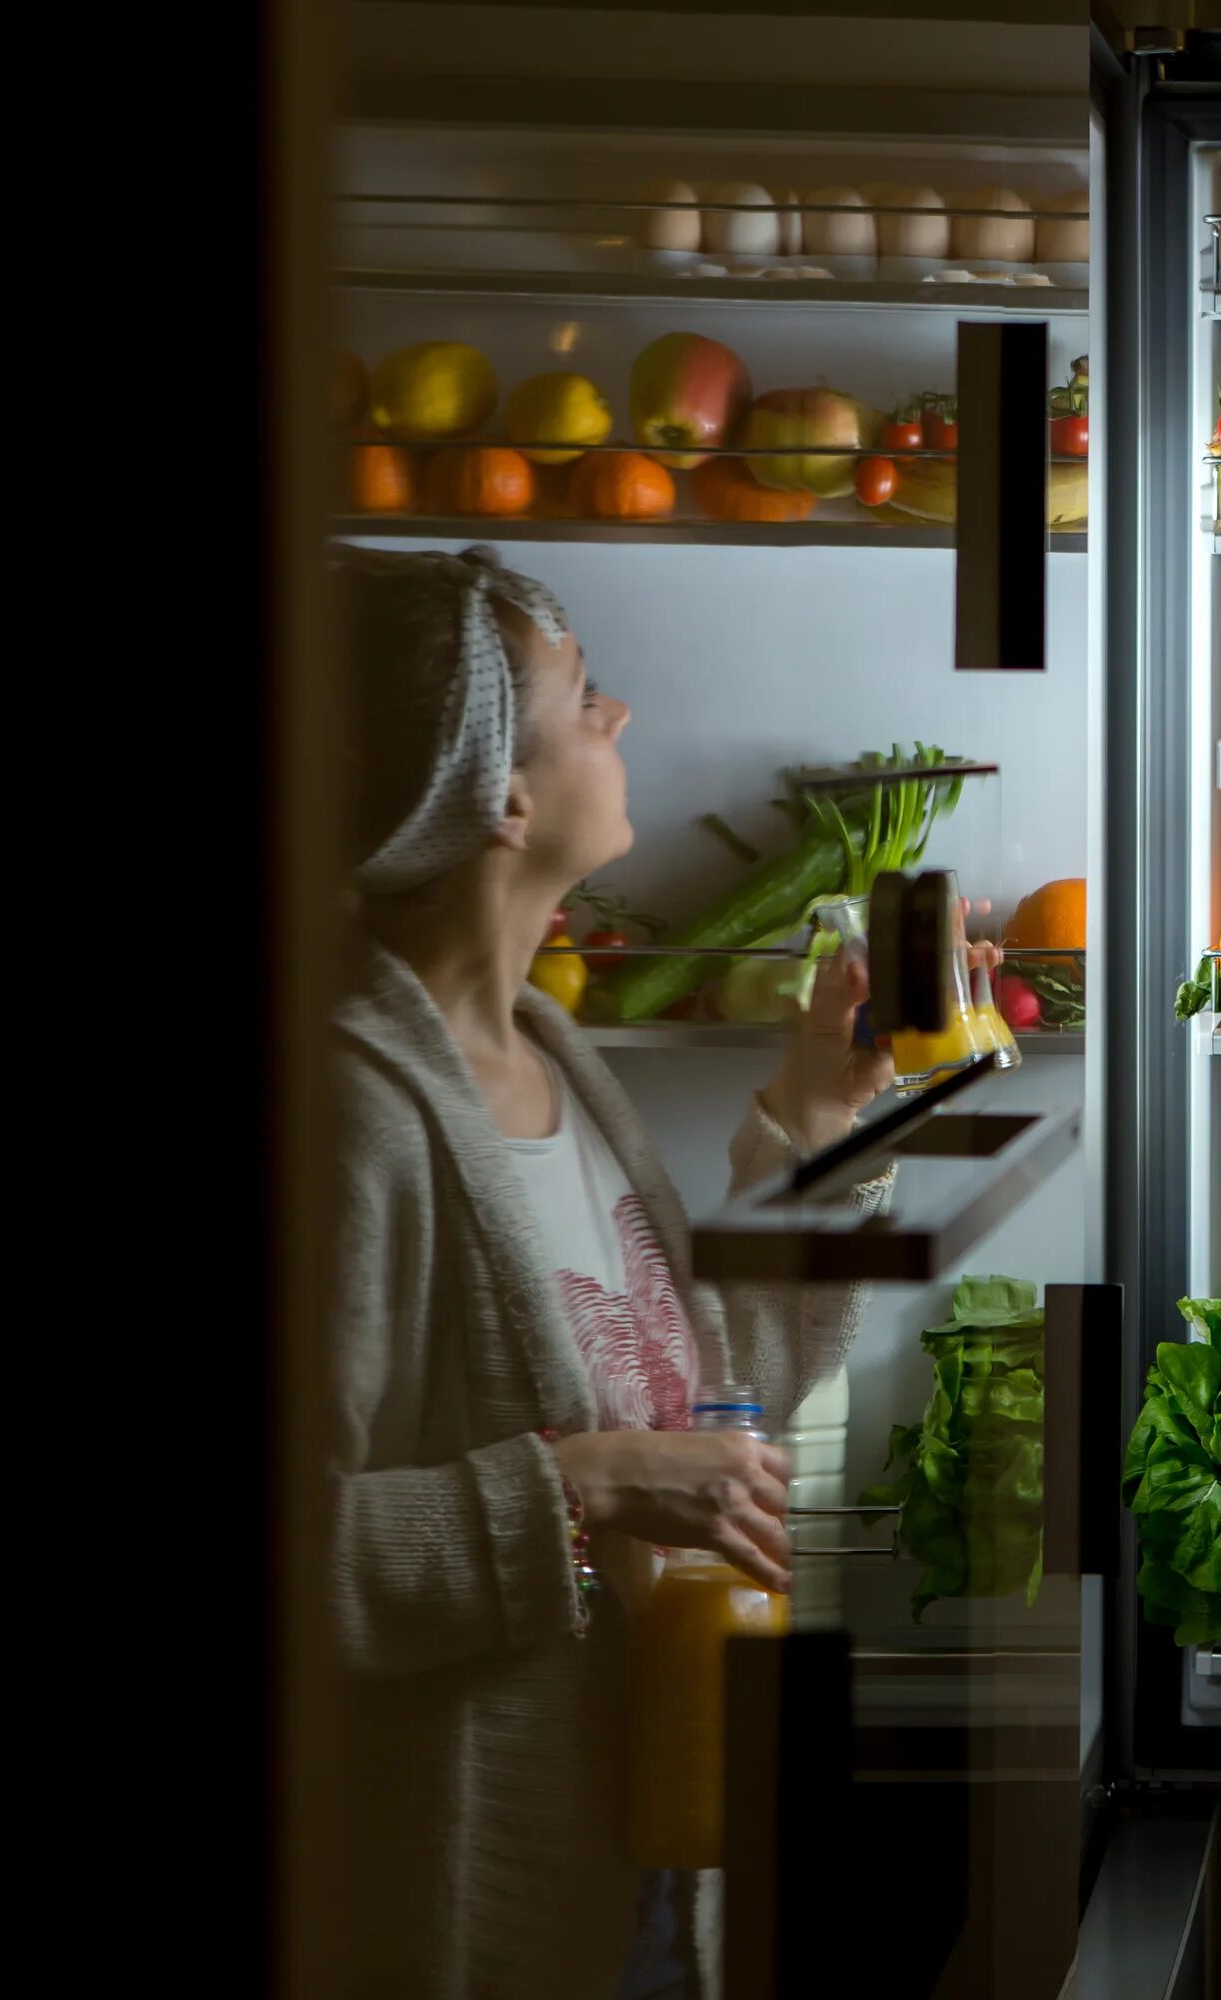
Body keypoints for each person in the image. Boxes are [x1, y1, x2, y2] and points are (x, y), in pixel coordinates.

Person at [315, 546, 893, 1998]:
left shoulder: (550, 1060)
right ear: (498, 800)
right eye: (581, 699)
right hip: (441, 1890)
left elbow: (707, 1415)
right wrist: (571, 1491)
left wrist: (818, 1131)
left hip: (635, 1852)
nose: (622, 717)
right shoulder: (347, 1114)